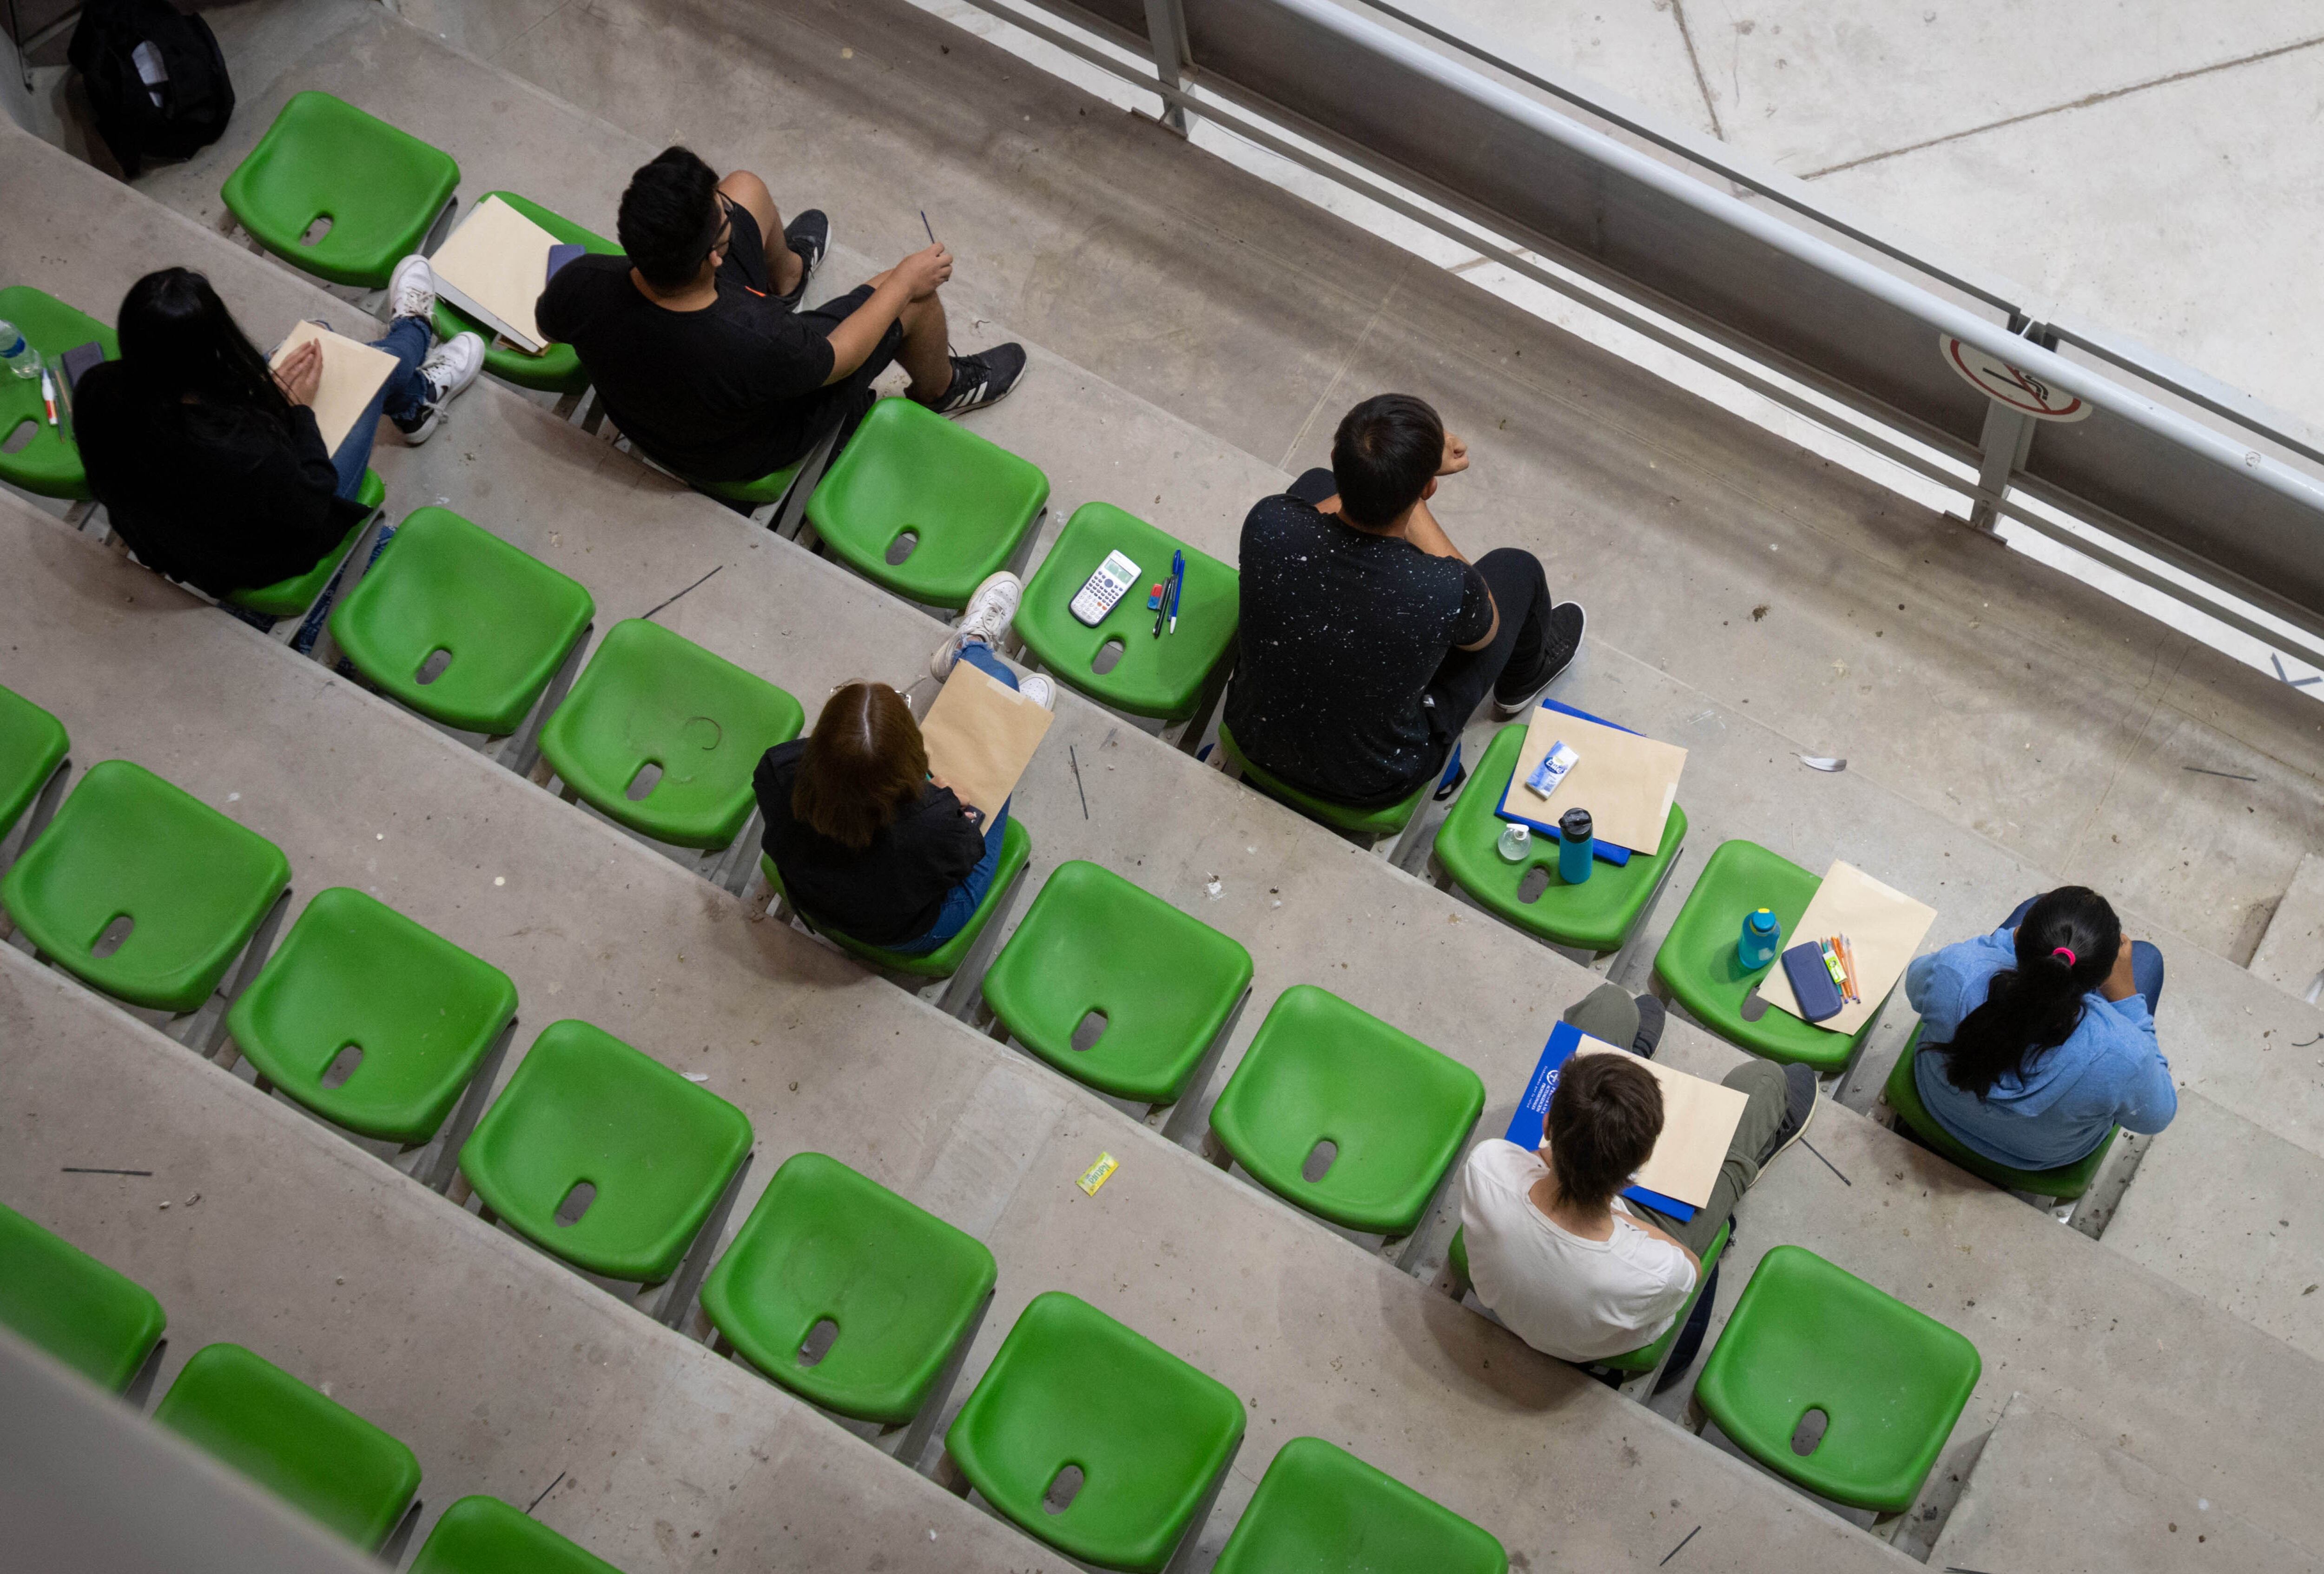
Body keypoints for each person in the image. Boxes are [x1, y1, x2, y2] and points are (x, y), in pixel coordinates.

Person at [536, 146, 1026, 489]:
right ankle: (941, 389)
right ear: (713, 257)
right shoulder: (762, 339)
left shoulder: (585, 281)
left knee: (745, 185)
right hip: (738, 450)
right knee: (910, 303)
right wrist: (904, 280)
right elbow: (838, 357)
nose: (725, 209)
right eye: (722, 219)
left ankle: (789, 277)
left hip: (654, 412)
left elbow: (546, 326)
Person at [1223, 393, 1586, 807]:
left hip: (1252, 732)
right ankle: (1521, 682)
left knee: (1313, 484)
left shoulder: (1268, 522)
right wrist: (1409, 480)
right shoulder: (1444, 587)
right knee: (1517, 569)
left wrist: (1382, 478)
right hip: (1373, 779)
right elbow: (1485, 629)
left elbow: (1336, 498)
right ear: (1429, 488)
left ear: (1338, 455)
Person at [1459, 984, 1816, 1375]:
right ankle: (1749, 1150)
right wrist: (1621, 1213)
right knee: (1766, 1079)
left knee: (1611, 1003)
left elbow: (1531, 1158)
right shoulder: (1656, 1271)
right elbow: (1691, 1265)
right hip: (1612, 1275)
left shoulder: (1486, 1165)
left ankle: (1620, 1076)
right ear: (1641, 1165)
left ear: (1548, 1123)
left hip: (1519, 1278)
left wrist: (1562, 1153)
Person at [74, 261, 483, 600]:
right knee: (370, 371)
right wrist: (300, 411)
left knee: (318, 341)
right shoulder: (247, 450)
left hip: (169, 540)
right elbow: (312, 504)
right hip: (255, 556)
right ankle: (415, 331)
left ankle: (413, 397)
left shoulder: (97, 387)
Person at [754, 574, 1052, 953]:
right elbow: (965, 855)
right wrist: (950, 802)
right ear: (912, 761)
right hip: (906, 932)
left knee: (1000, 687)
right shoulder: (934, 824)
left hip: (812, 895)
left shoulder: (779, 769)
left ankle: (991, 681)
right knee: (1001, 698)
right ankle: (987, 674)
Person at [1904, 886, 2172, 1171]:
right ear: (2103, 977)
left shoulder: (1956, 970)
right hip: (2035, 1158)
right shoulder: (2124, 1054)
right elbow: (2156, 1117)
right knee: (2148, 957)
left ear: (2019, 940)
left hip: (1941, 1107)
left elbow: (1914, 987)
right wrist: (2129, 1003)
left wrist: (2000, 945)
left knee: (2035, 904)